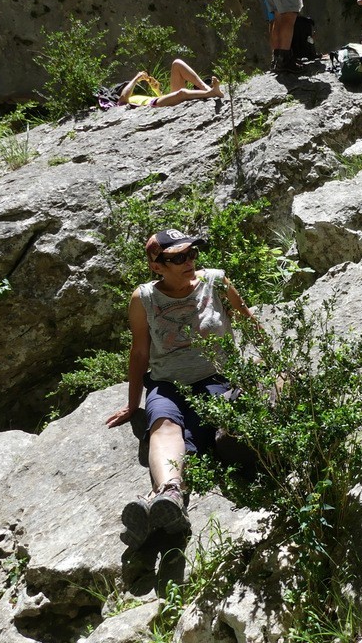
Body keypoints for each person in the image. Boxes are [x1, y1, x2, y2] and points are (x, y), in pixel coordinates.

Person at [105, 228, 257, 547]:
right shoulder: (144, 298)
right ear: (157, 265)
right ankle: (170, 494)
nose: (189, 261)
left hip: (219, 378)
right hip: (167, 384)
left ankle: (159, 501)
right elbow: (140, 352)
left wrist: (270, 365)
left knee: (217, 429)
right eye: (178, 258)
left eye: (191, 253)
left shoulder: (215, 281)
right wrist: (134, 404)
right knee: (163, 425)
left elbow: (246, 318)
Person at [118, 59, 223, 108]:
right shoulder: (123, 103)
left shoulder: (136, 97)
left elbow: (164, 100)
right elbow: (123, 97)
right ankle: (212, 93)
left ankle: (206, 88)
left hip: (158, 101)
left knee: (177, 64)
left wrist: (156, 90)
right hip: (153, 104)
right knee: (182, 93)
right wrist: (136, 78)